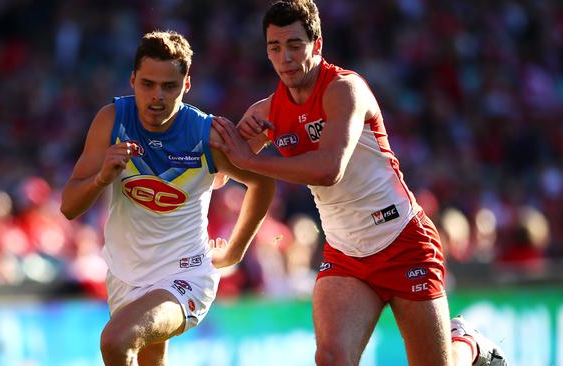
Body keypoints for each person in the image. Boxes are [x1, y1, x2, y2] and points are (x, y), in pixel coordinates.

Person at [209, 1, 507, 365]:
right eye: (275, 47)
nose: (285, 57)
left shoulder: (345, 89)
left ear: (317, 45)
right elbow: (223, 172)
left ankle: (467, 341)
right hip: (345, 254)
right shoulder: (266, 113)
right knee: (331, 358)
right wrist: (202, 151)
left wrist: (252, 160)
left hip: (403, 241)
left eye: (295, 45)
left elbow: (329, 168)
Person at [60, 30, 275, 366]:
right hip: (124, 276)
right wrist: (102, 177)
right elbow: (69, 207)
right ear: (132, 80)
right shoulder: (111, 121)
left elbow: (262, 183)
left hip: (184, 277)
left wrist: (233, 252)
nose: (157, 96)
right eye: (147, 84)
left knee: (115, 341)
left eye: (169, 86)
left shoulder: (207, 134)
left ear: (186, 85)